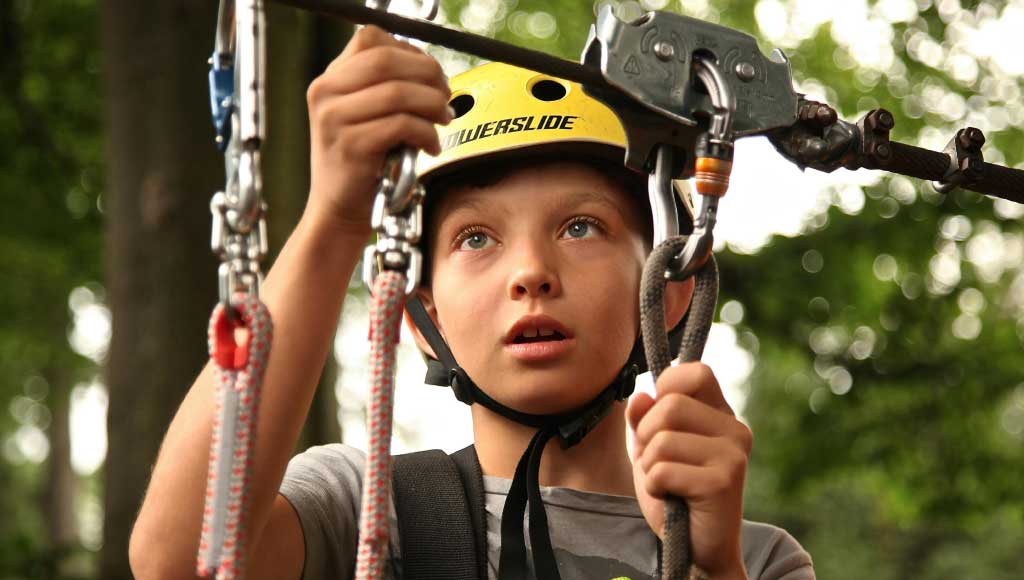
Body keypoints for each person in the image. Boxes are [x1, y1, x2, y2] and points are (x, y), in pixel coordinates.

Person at [128, 26, 815, 580]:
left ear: (666, 295)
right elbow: (181, 560)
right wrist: (335, 217)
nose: (531, 273)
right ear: (420, 319)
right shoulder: (361, 511)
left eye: (582, 226)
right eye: (477, 238)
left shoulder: (760, 560)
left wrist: (711, 567)